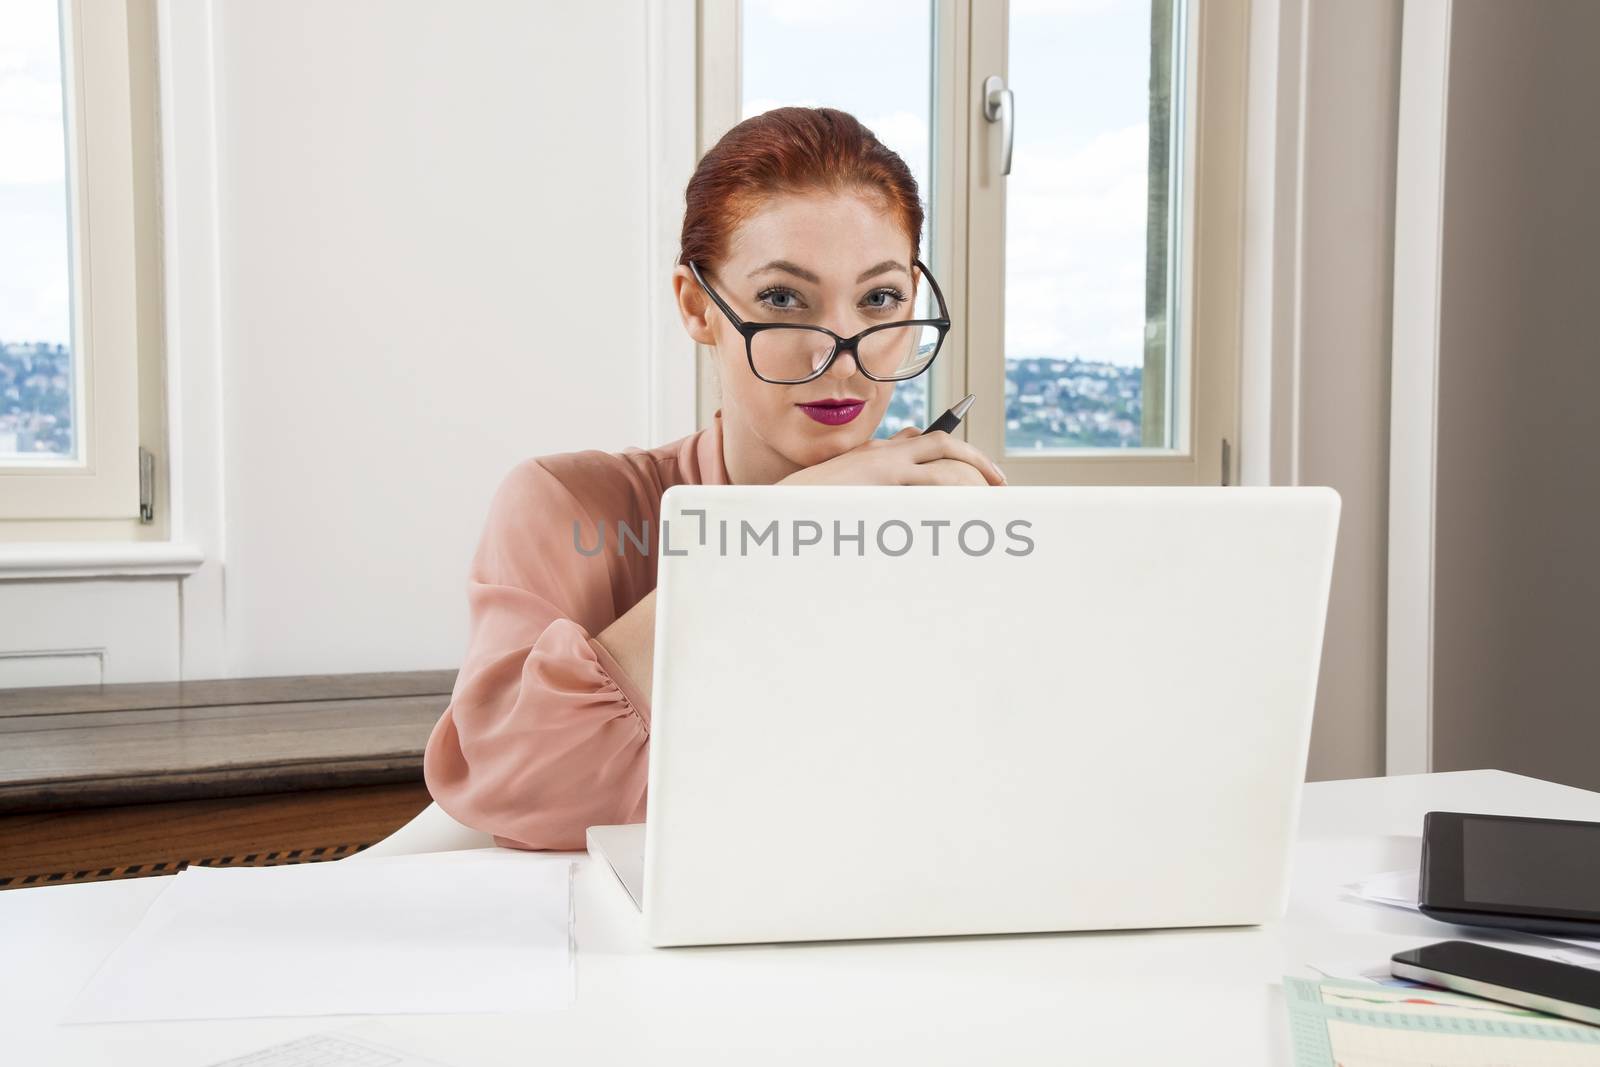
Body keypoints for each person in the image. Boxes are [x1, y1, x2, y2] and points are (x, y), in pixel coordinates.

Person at [423, 107, 1005, 850]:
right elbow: (507, 781)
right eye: (784, 299)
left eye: (879, 300)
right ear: (699, 307)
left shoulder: (938, 517)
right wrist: (776, 528)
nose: (843, 356)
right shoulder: (566, 508)